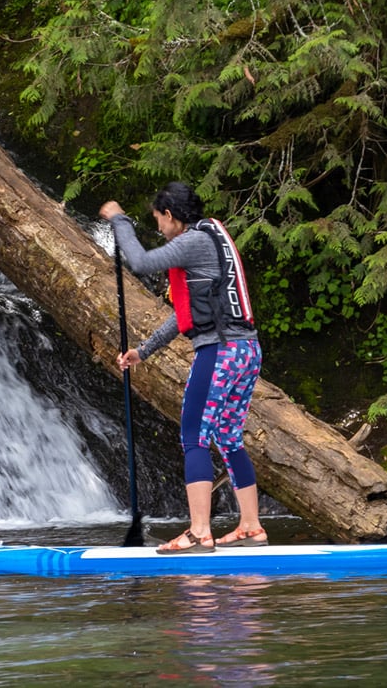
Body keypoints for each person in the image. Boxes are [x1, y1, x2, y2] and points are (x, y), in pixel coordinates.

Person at [101, 182, 266, 554]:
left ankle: (198, 532)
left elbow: (140, 262)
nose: (158, 228)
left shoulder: (192, 242)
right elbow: (184, 315)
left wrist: (119, 221)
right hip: (247, 352)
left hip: (221, 353)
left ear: (171, 216)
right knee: (227, 436)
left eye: (158, 220)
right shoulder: (210, 238)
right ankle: (252, 527)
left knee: (194, 436)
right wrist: (143, 351)